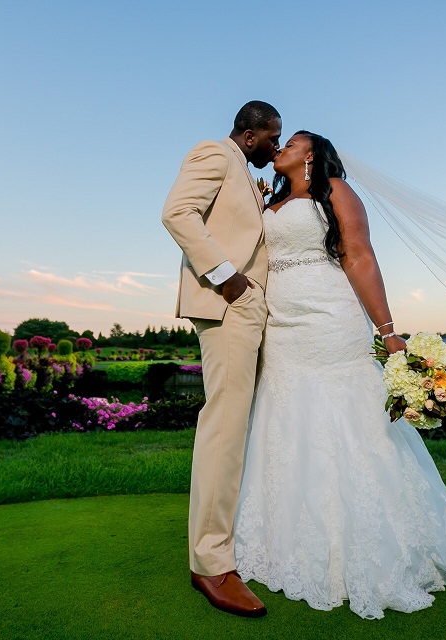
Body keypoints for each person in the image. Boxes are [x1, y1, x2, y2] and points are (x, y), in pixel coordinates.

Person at [233, 131, 446, 620]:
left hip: (330, 317)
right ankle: (282, 539)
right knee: (285, 416)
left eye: (292, 143)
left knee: (343, 417)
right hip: (280, 324)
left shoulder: (336, 191)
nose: (281, 147)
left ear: (311, 156)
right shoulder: (273, 198)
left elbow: (359, 256)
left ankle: (370, 546)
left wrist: (389, 334)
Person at [160, 100, 282, 618]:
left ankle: (232, 540)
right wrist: (227, 278)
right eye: (272, 137)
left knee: (241, 425)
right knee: (225, 428)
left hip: (250, 308)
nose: (276, 147)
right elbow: (176, 212)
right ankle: (210, 563)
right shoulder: (214, 152)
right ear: (250, 136)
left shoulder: (246, 174)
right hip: (228, 304)